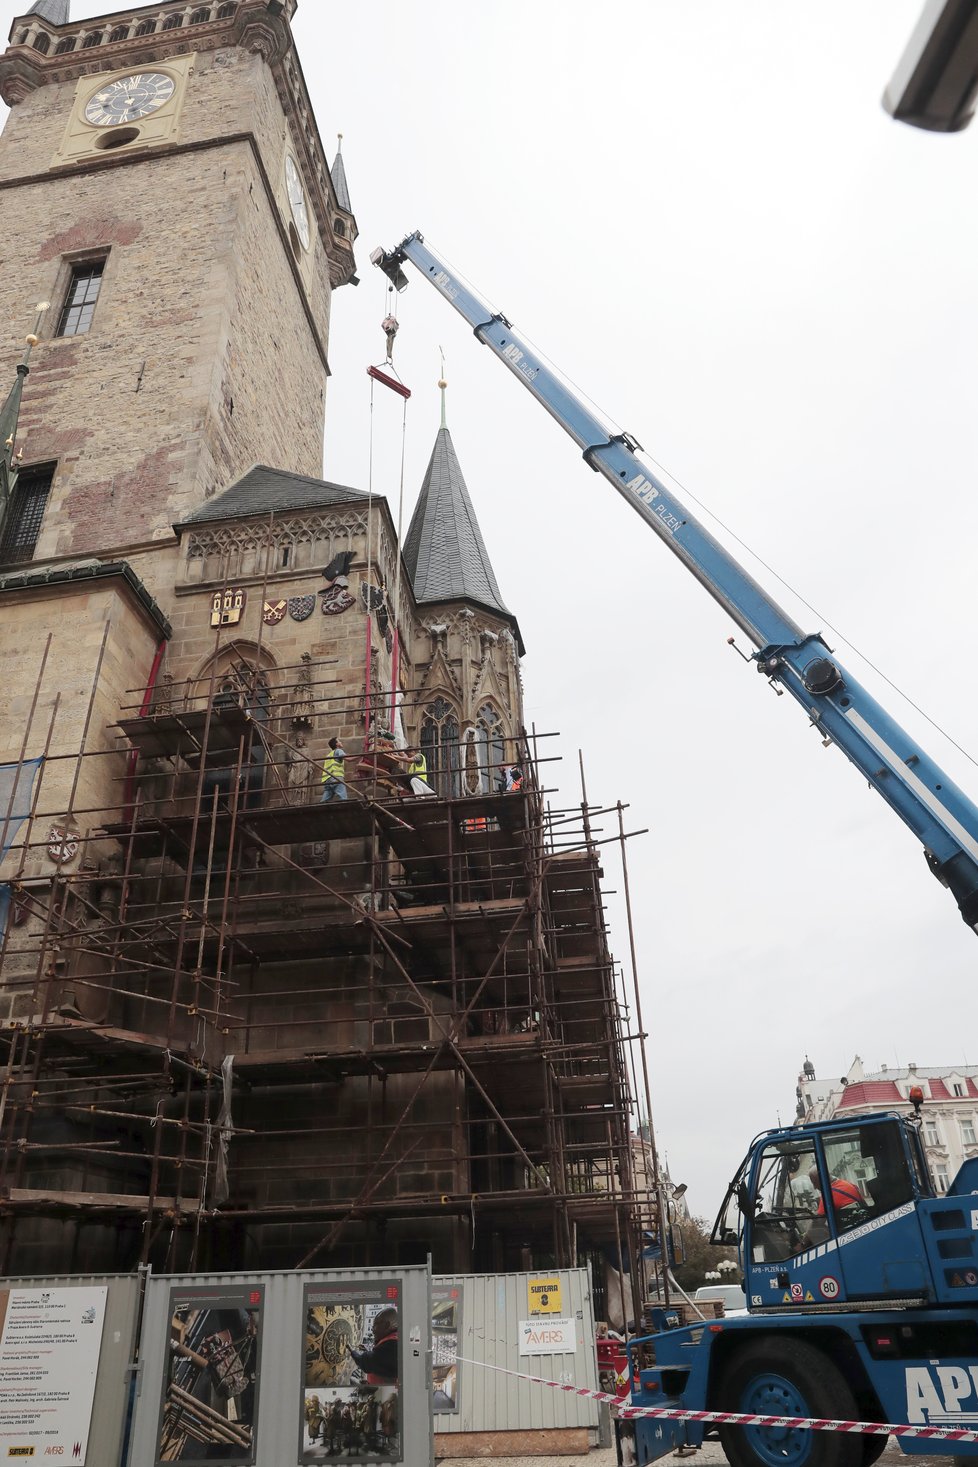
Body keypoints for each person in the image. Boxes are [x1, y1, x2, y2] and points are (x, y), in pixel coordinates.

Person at [320, 736, 347, 802]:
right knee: (342, 797)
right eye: (339, 741)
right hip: (336, 777)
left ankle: (320, 809)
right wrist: (361, 756)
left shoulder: (329, 755)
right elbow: (349, 758)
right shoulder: (338, 751)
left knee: (325, 799)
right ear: (337, 744)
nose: (341, 742)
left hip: (327, 780)